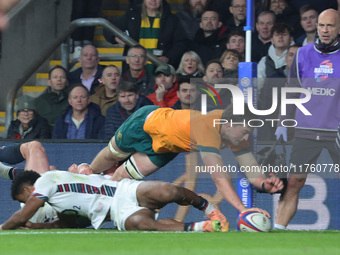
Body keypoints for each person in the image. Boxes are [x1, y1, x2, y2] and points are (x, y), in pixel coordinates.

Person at [86, 103, 284, 231]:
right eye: (245, 132)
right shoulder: (208, 127)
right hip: (145, 125)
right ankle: (83, 176)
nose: (247, 137)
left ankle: (91, 205)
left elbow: (249, 166)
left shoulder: (236, 134)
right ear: (229, 124)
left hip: (166, 148)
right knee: (111, 156)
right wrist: (243, 210)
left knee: (122, 179)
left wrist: (264, 183)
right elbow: (219, 177)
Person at [273, 9, 340, 230]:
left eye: (330, 25)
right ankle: (279, 229)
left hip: (336, 131)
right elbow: (292, 89)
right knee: (294, 181)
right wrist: (284, 120)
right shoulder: (303, 54)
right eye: (321, 25)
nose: (325, 30)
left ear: (339, 28)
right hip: (306, 128)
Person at [1, 170, 224, 232]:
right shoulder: (58, 201)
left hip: (122, 190)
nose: (27, 204)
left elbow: (22, 215)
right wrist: (36, 226)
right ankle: (201, 227)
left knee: (167, 190)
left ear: (30, 189)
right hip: (117, 211)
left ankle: (209, 209)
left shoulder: (46, 181)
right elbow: (65, 223)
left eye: (25, 198)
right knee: (144, 224)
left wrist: (4, 227)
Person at [104, 0, 188, 70]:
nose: (153, 1)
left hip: (160, 71)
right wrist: (116, 38)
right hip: (133, 71)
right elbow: (108, 28)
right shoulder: (132, 15)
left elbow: (181, 43)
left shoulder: (172, 19)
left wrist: (168, 57)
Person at [258, 45, 299, 141]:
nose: (294, 58)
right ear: (285, 58)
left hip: (303, 132)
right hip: (275, 131)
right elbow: (266, 106)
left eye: (298, 55)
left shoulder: (313, 79)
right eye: (291, 55)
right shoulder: (274, 78)